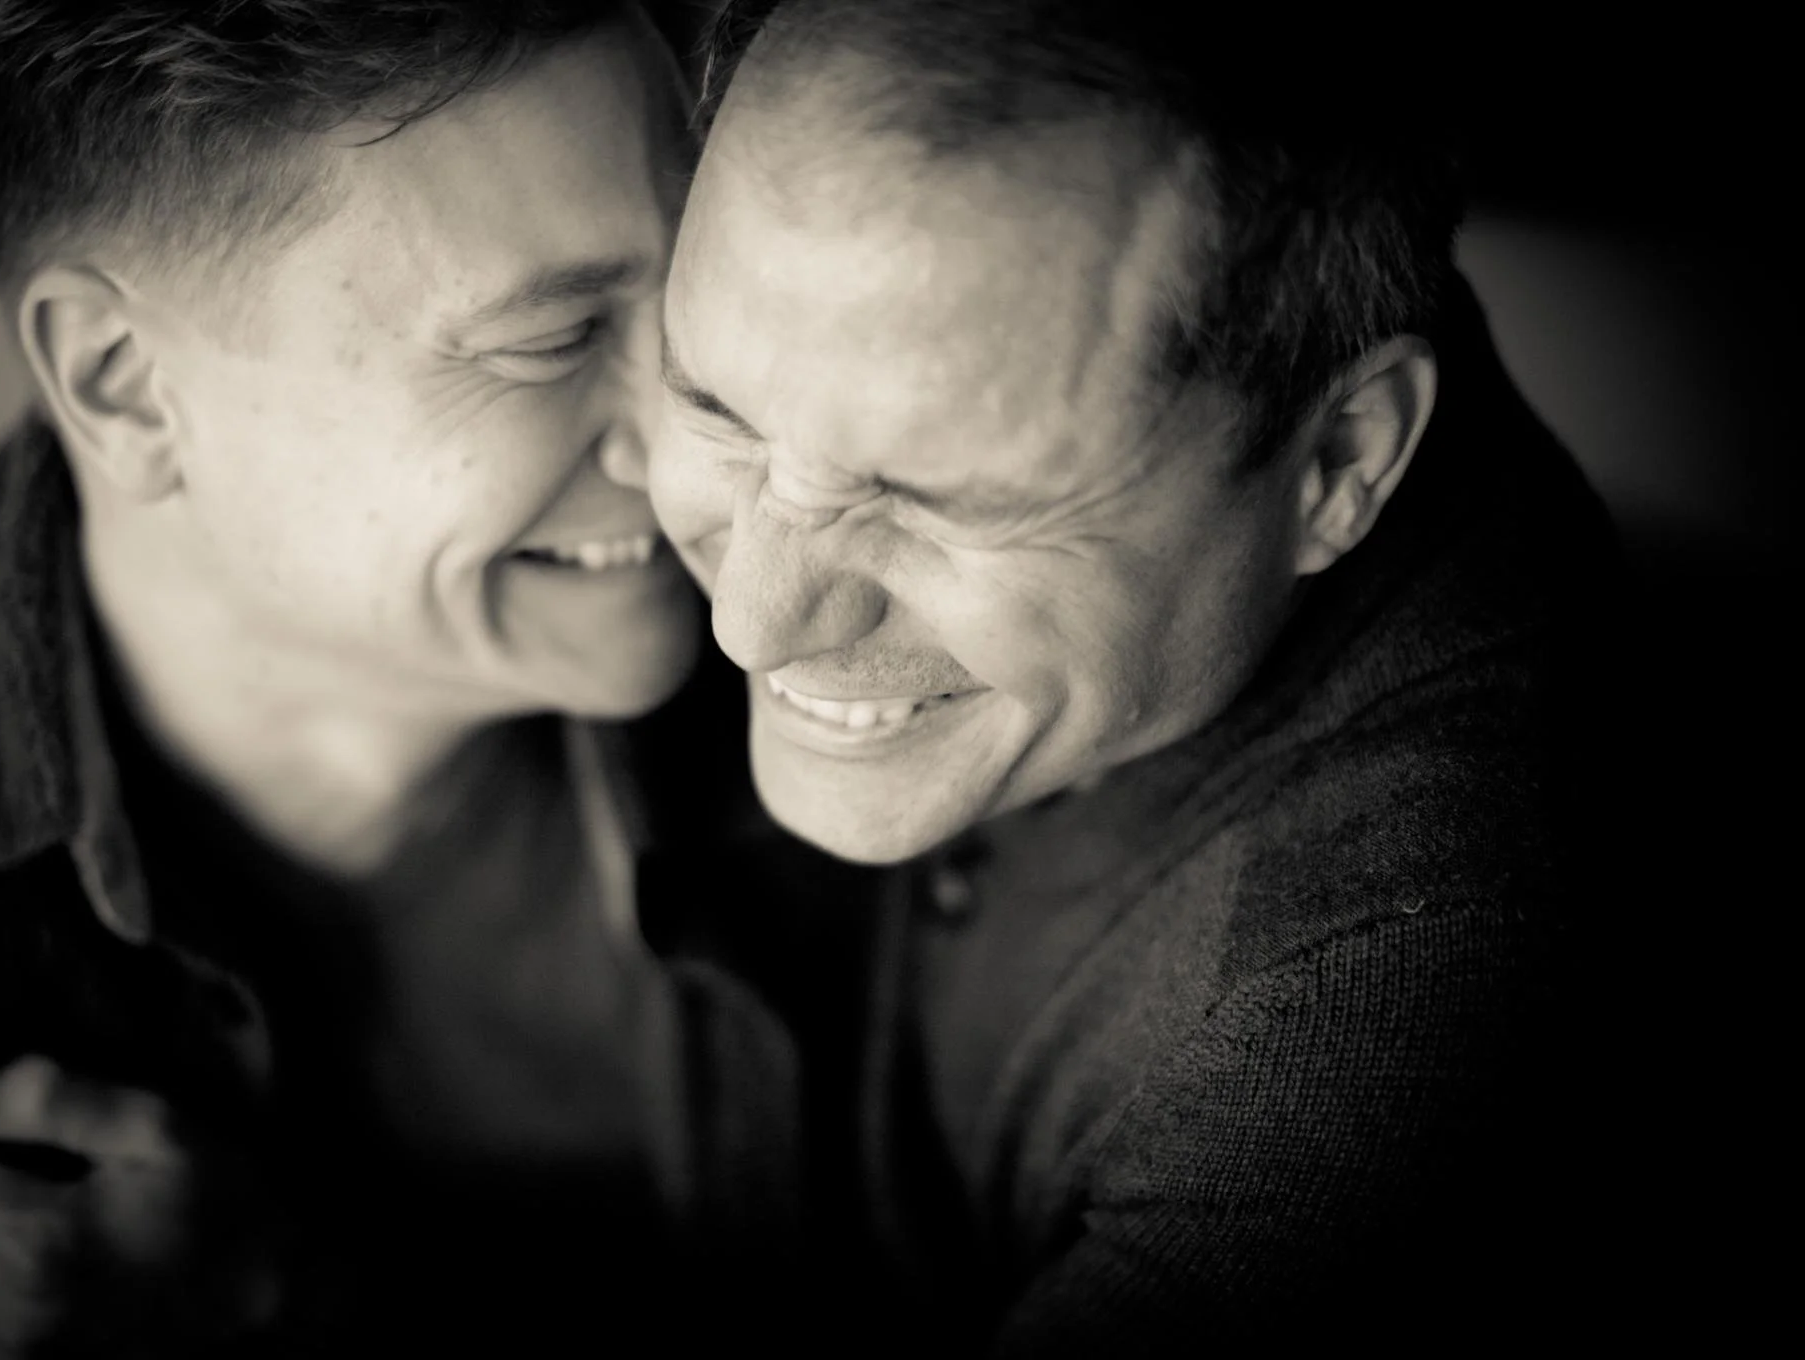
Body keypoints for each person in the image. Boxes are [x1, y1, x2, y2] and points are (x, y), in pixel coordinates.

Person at [0, 2, 827, 1353]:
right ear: (123, 384)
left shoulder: (870, 655)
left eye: (688, 299)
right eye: (551, 341)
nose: (704, 445)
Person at [648, 1, 1643, 1346]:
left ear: (1339, 461)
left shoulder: (1373, 1051)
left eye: (935, 501)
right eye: (714, 407)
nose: (749, 624)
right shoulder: (1239, 339)